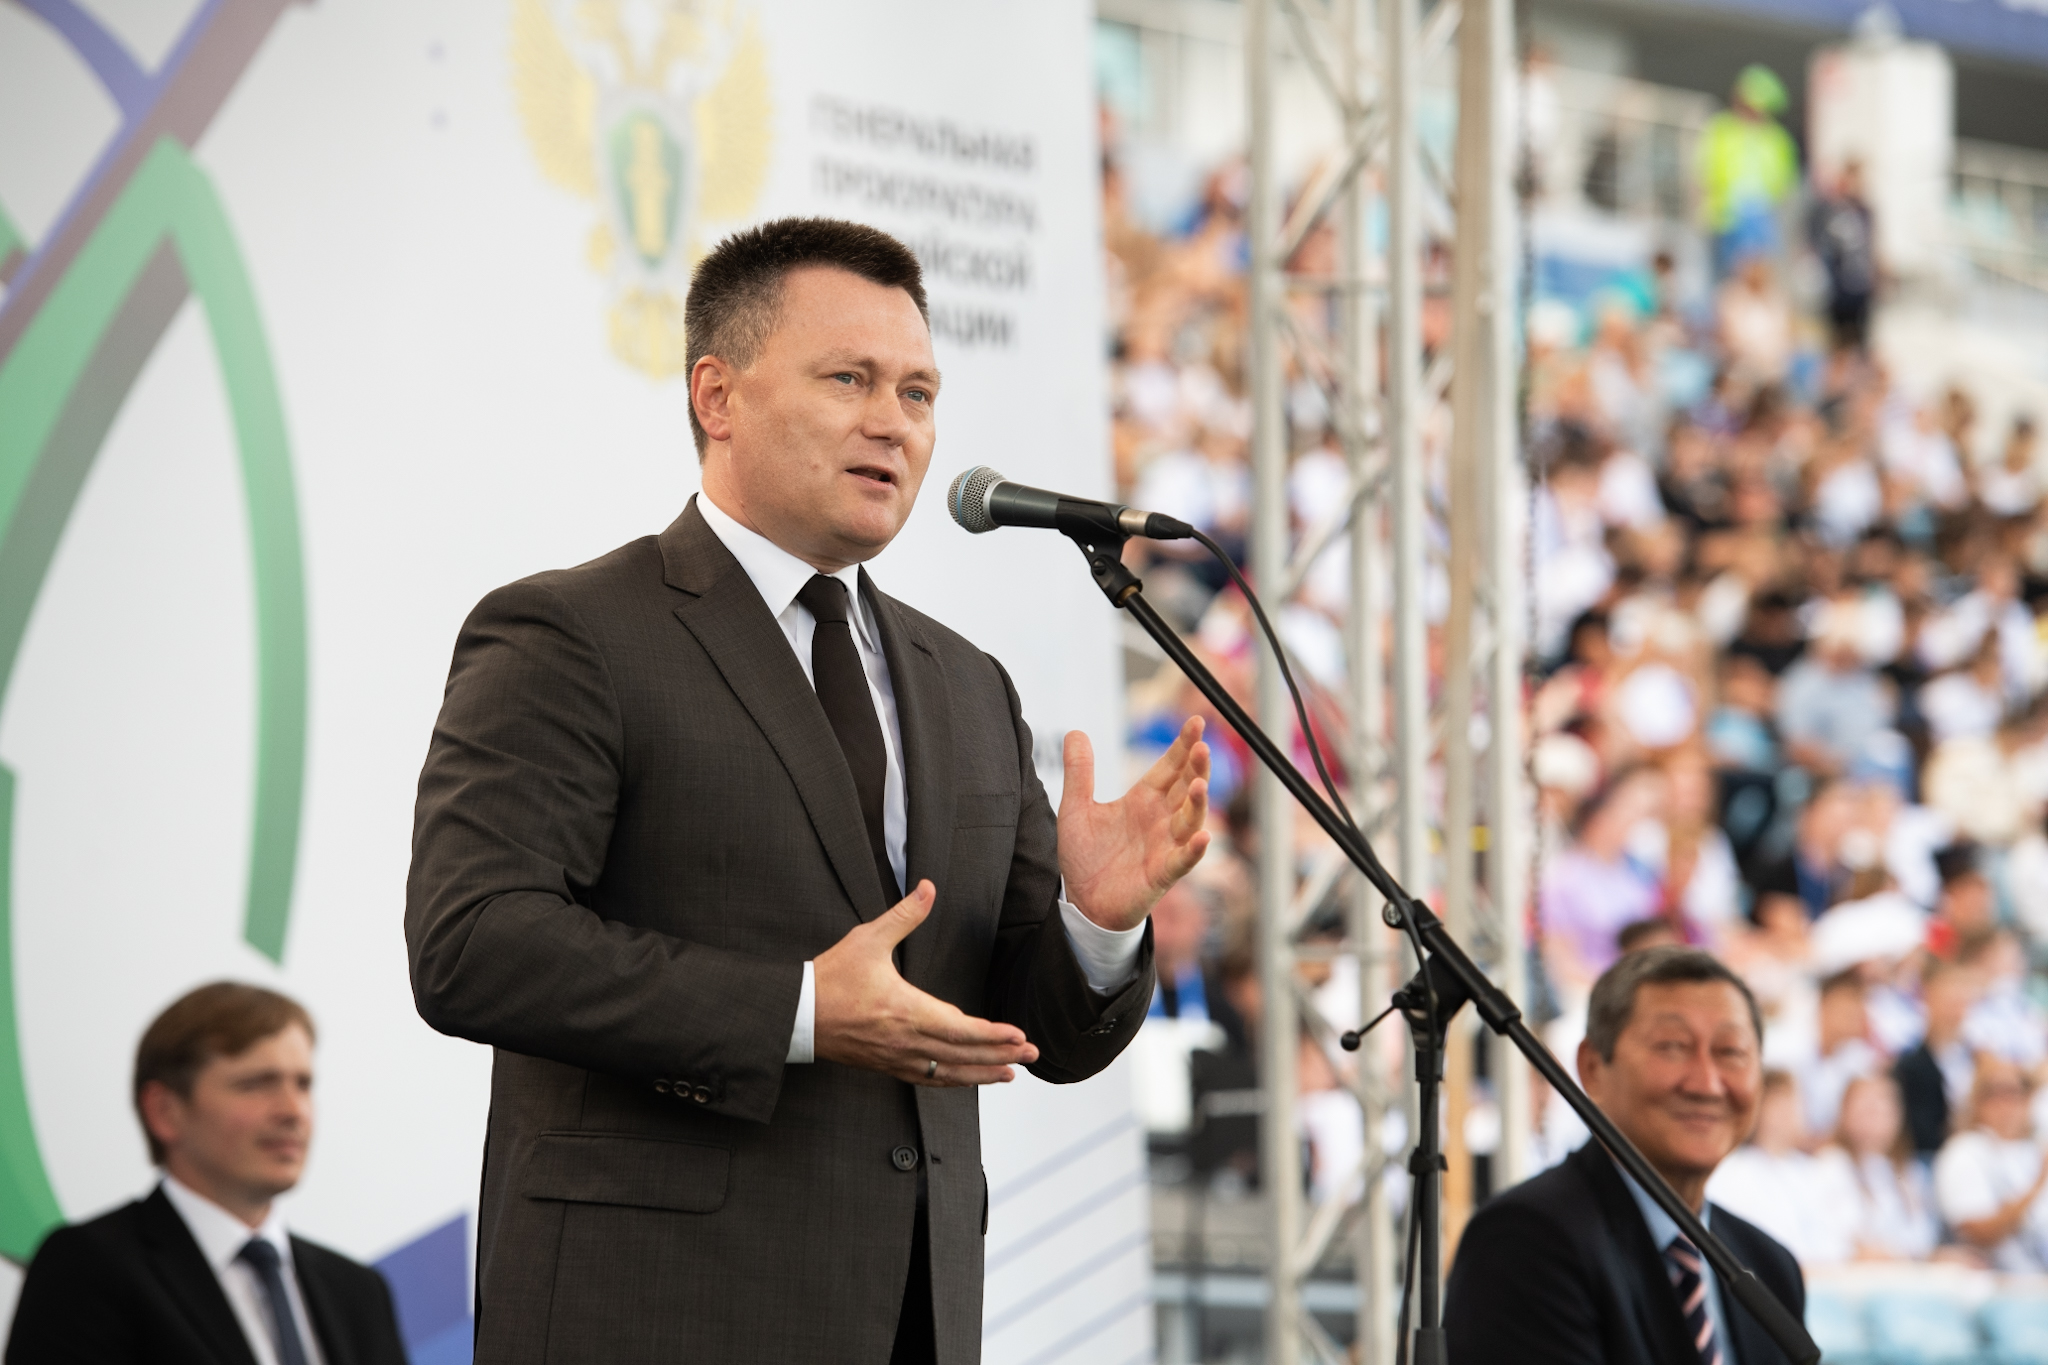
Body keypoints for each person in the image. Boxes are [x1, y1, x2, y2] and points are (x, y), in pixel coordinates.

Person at [404, 218, 1212, 1365]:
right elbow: (473, 943)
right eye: (849, 380)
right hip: (653, 1316)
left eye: (919, 393)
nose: (894, 422)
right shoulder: (572, 633)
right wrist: (794, 1010)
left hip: (908, 1320)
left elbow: (1035, 1032)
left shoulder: (966, 684)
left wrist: (1095, 920)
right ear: (717, 396)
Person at [6, 983, 406, 1365]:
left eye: (303, 1084)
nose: (293, 1111)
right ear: (164, 1111)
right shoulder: (88, 1269)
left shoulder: (358, 1290)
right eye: (256, 1084)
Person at [1446, 947, 1805, 1362]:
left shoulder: (1769, 1268)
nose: (1707, 1083)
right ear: (1592, 1068)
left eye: (1731, 1052)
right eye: (1672, 1046)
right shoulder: (1523, 1242)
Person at [1708, 1070, 1852, 1266]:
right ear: (1758, 1109)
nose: (1789, 1114)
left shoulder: (1810, 1171)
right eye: (1779, 1105)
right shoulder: (1733, 1172)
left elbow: (1834, 1240)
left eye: (1793, 1104)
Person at [1933, 1055, 2048, 1271]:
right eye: (1995, 1092)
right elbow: (1979, 1234)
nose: (2006, 1103)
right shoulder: (1964, 1152)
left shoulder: (2033, 1151)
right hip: (1996, 1282)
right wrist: (2037, 1186)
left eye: (2016, 1092)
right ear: (1977, 1100)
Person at [1812, 1073, 1940, 1261]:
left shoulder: (1900, 1169)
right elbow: (1846, 1238)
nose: (1878, 1116)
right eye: (1869, 1109)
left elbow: (1921, 1237)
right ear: (1845, 1112)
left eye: (1887, 1108)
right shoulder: (1831, 1165)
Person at [1697, 64, 1799, 276]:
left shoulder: (1777, 139)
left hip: (1763, 216)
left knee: (1759, 274)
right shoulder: (1722, 128)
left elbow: (1786, 183)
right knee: (1725, 275)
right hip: (1726, 217)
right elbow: (1704, 172)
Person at [1894, 958, 1979, 1157]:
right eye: (1949, 1000)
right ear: (1928, 998)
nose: (1956, 1011)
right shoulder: (1910, 1067)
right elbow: (1921, 1135)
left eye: (1962, 1001)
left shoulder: (1979, 1059)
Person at [1807, 159, 1878, 352]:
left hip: (1860, 286)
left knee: (1861, 340)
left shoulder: (1865, 211)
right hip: (1837, 288)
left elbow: (1871, 246)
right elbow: (1817, 242)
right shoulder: (1830, 211)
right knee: (1837, 340)